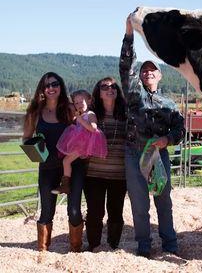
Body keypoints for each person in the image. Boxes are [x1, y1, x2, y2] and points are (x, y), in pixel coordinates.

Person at [120, 14, 185, 257]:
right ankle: (144, 246)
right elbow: (126, 65)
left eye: (152, 70)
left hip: (159, 156)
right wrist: (129, 35)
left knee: (163, 201)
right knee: (139, 204)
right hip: (134, 153)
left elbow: (180, 129)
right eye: (144, 70)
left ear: (160, 75)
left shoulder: (169, 103)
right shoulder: (133, 94)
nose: (147, 73)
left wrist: (167, 140)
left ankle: (170, 245)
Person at [22, 72, 87, 252]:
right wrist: (35, 152)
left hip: (73, 167)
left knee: (74, 211)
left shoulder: (70, 109)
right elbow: (26, 138)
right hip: (47, 167)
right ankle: (42, 251)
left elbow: (84, 129)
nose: (51, 88)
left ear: (61, 86)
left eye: (54, 84)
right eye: (47, 85)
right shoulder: (34, 112)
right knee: (46, 211)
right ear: (42, 89)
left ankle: (75, 250)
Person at [84, 77, 127, 251]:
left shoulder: (126, 115)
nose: (110, 89)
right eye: (105, 87)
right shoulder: (92, 115)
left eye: (113, 86)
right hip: (94, 173)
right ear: (98, 92)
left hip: (119, 173)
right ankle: (94, 245)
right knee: (95, 212)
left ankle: (113, 245)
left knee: (116, 212)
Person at [53, 90, 107, 195]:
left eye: (81, 101)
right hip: (80, 143)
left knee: (66, 161)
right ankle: (66, 183)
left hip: (83, 144)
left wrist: (81, 120)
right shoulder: (81, 115)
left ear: (89, 101)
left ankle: (65, 185)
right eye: (76, 103)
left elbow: (93, 128)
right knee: (66, 160)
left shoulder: (90, 114)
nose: (79, 105)